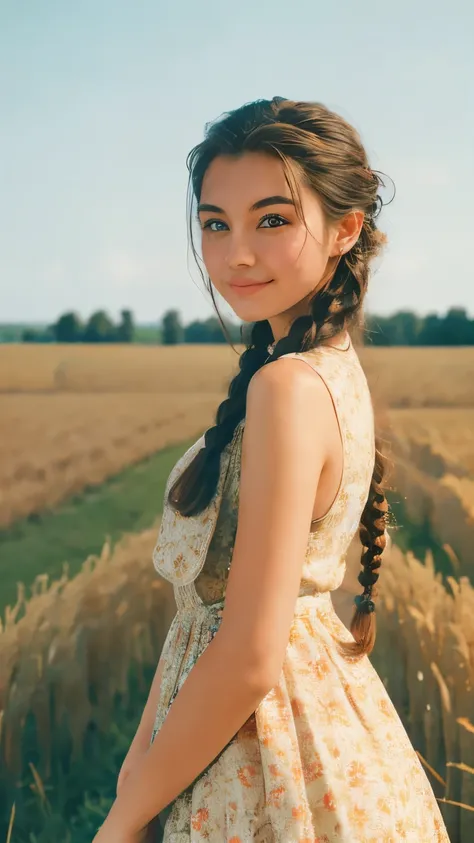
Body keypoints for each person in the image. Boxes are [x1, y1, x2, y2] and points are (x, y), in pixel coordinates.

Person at [93, 97, 449, 842]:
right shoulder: (322, 369)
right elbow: (207, 612)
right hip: (309, 735)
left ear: (345, 229)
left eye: (273, 219)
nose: (236, 253)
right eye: (215, 222)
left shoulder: (285, 387)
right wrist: (139, 765)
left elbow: (251, 653)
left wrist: (123, 817)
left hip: (265, 760)